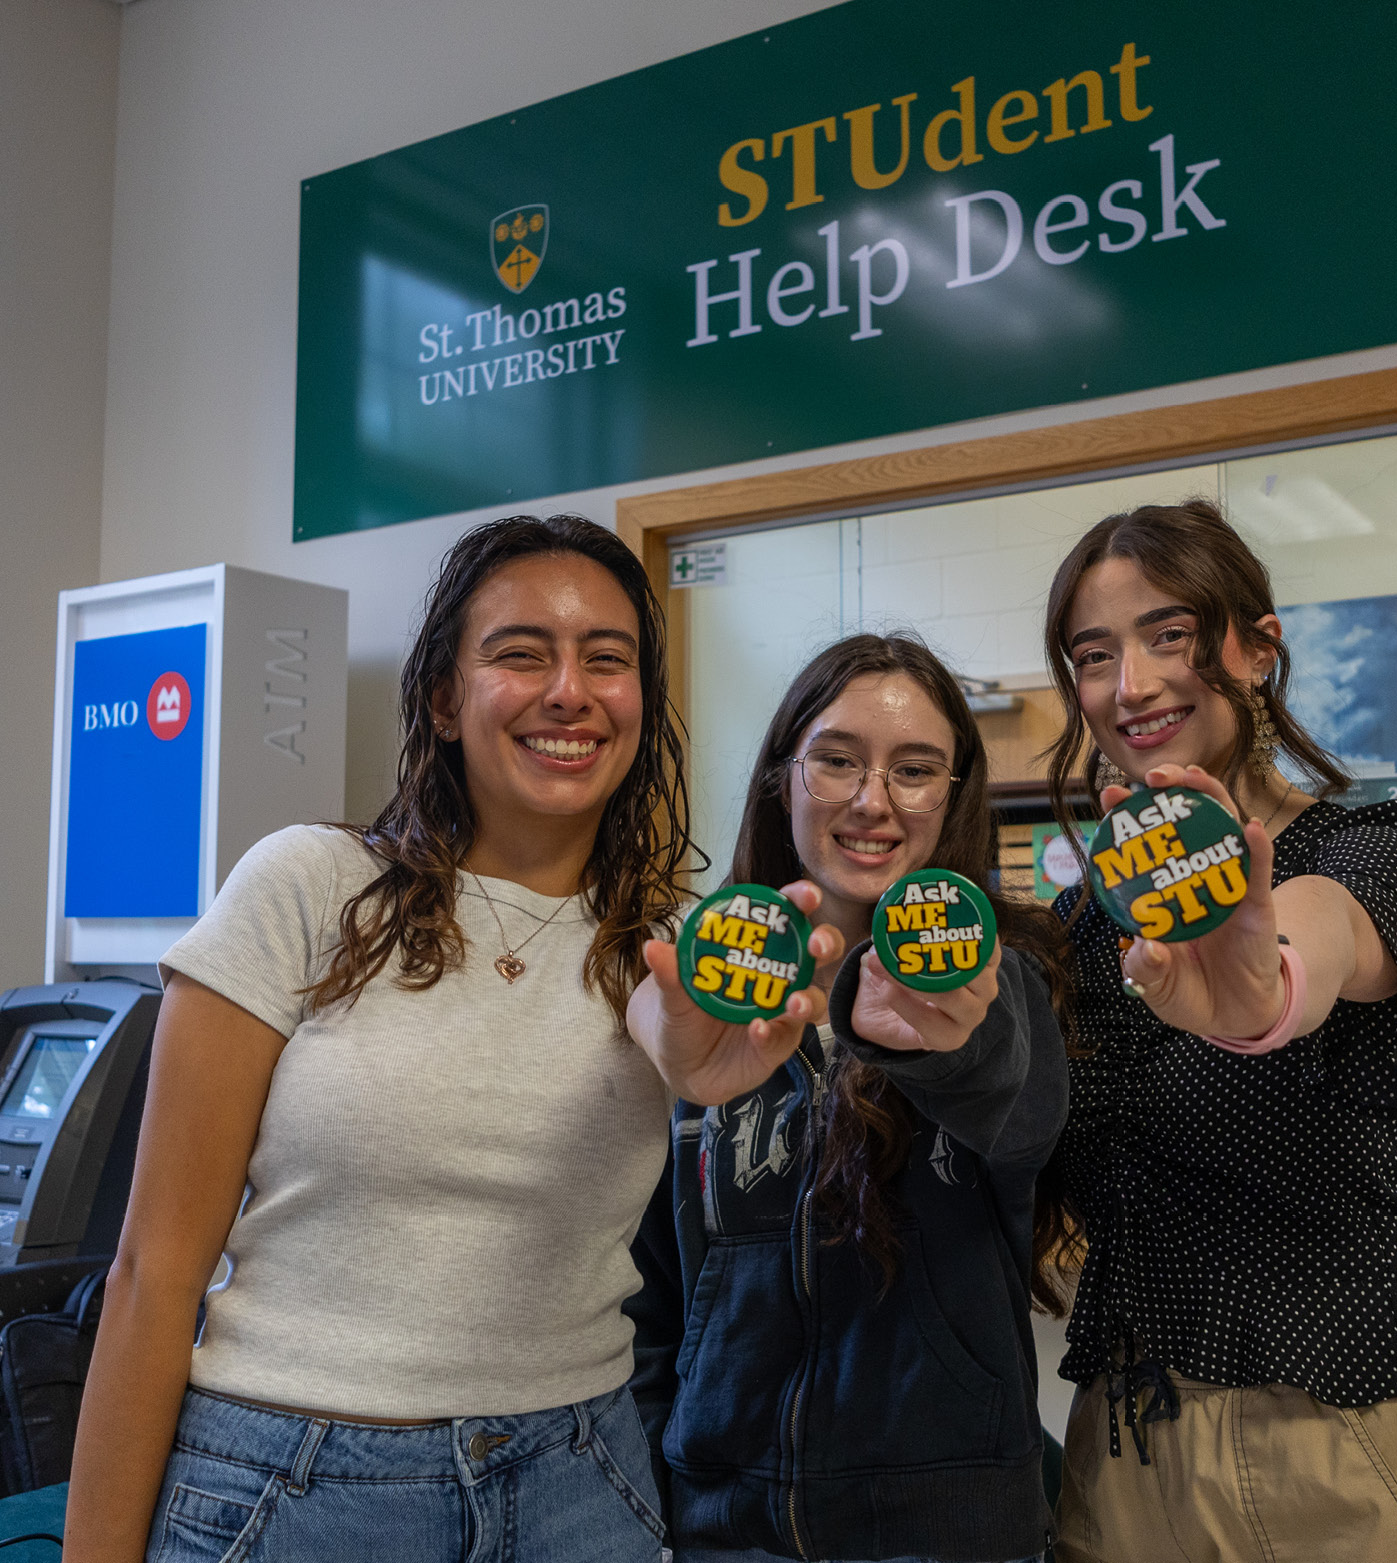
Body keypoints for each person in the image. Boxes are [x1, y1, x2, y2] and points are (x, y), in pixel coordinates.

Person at [64, 516, 839, 1563]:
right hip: (298, 1487)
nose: (569, 690)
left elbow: (672, 1037)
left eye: (605, 661)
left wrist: (704, 1076)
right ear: (443, 699)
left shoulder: (668, 952)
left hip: (581, 1478)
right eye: (521, 653)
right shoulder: (307, 885)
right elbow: (151, 1273)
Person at [1040, 500, 1397, 1563]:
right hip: (1128, 1451)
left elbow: (1326, 941)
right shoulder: (1083, 927)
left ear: (1254, 649)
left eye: (1167, 636)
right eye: (1093, 655)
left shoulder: (1373, 848)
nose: (1127, 685)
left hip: (1352, 1434)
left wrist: (1259, 992)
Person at [624, 634, 1073, 1563]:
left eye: (915, 770)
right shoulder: (705, 996)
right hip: (721, 1529)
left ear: (951, 799)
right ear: (781, 778)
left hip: (948, 1532)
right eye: (836, 760)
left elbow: (1018, 1115)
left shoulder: (1002, 985)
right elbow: (648, 1294)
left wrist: (921, 1038)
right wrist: (660, 1487)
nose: (872, 800)